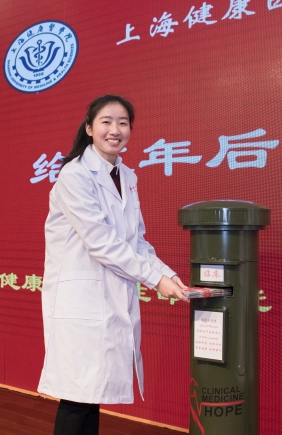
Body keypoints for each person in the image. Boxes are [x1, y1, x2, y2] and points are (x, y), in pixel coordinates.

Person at [37, 95, 188, 435]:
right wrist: (154, 280)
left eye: (123, 123)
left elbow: (136, 242)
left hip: (109, 296)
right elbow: (100, 241)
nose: (115, 130)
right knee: (77, 398)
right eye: (106, 122)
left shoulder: (126, 176)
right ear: (89, 128)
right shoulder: (75, 175)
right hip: (80, 301)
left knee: (92, 396)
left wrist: (168, 275)